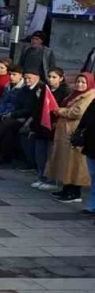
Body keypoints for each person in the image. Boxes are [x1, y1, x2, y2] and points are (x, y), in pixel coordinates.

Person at [45, 73, 94, 203]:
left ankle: (74, 192)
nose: (80, 84)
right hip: (66, 131)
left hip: (76, 132)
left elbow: (77, 112)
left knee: (76, 164)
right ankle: (66, 188)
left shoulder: (90, 95)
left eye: (83, 82)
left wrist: (59, 111)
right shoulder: (74, 94)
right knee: (67, 163)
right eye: (78, 81)